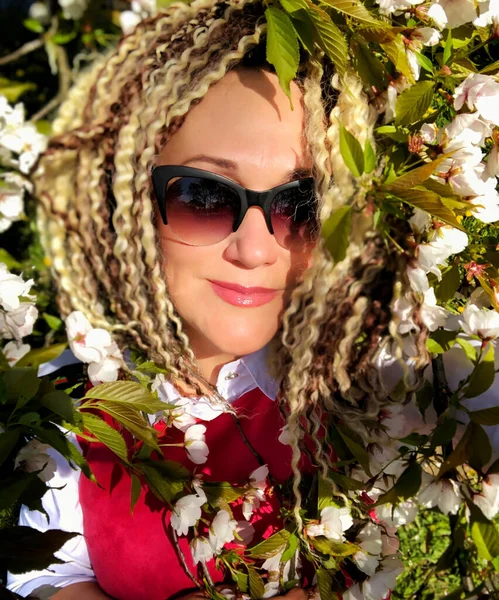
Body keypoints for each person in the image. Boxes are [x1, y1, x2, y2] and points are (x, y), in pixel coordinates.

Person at [7, 0, 426, 598]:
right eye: (203, 197)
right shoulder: (72, 400)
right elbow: (47, 572)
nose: (256, 251)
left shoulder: (358, 385)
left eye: (298, 205)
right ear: (130, 209)